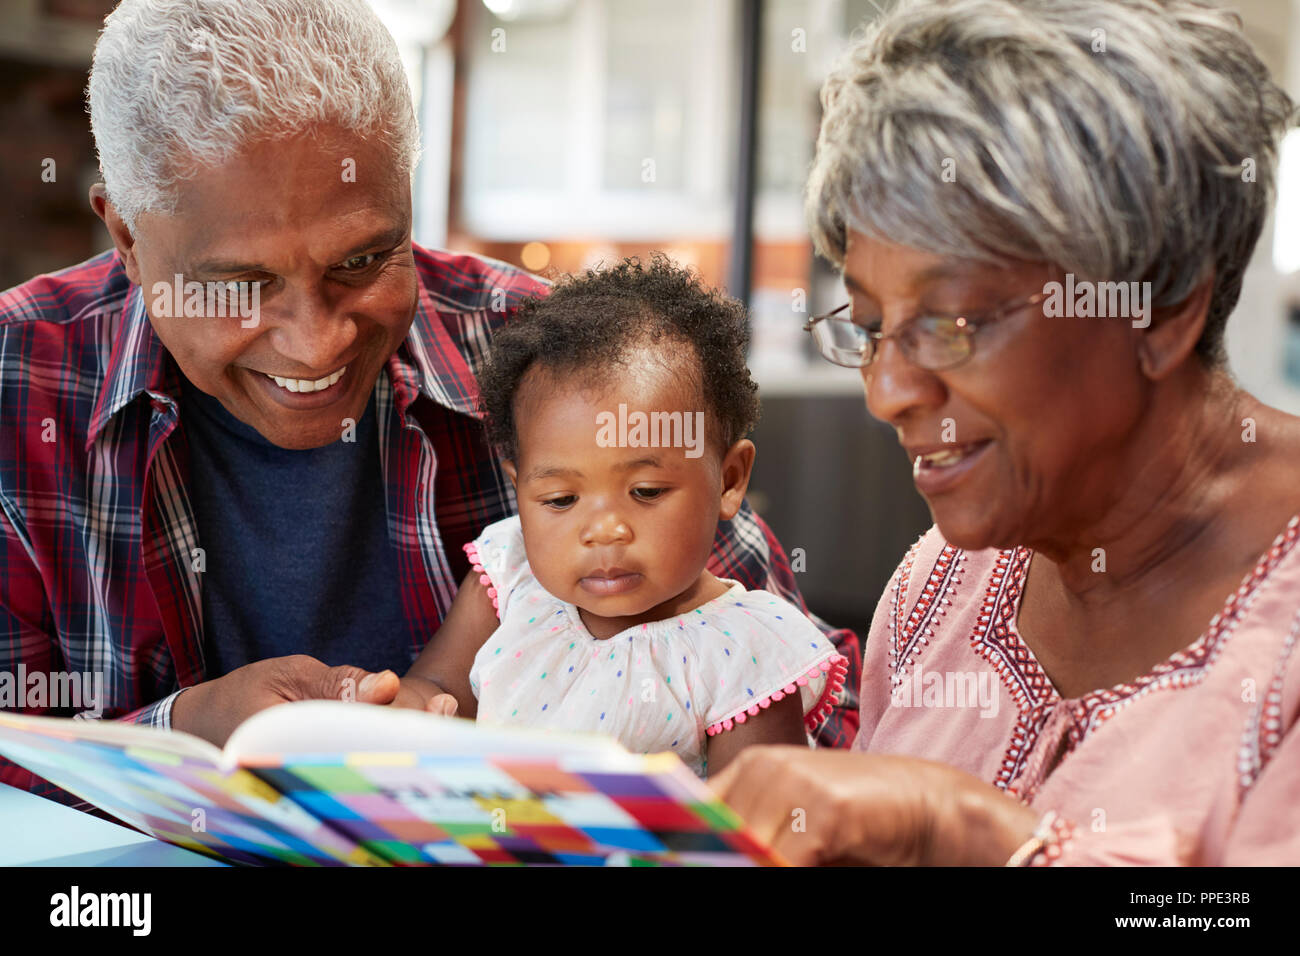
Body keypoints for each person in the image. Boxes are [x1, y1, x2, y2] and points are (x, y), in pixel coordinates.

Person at [0, 0, 860, 812]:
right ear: (127, 239)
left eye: (365, 258)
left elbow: (819, 704)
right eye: (242, 284)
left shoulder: (557, 365)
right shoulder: (19, 380)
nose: (317, 341)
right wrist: (183, 735)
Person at [713, 0, 1300, 865]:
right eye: (872, 328)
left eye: (951, 323)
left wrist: (964, 829)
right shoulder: (940, 589)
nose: (889, 391)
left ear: (1162, 307)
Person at [396, 257, 848, 777]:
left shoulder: (744, 652)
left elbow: (750, 822)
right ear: (518, 490)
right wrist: (399, 705)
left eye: (646, 491)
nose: (605, 530)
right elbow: (439, 691)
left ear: (729, 480)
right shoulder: (511, 577)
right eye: (561, 500)